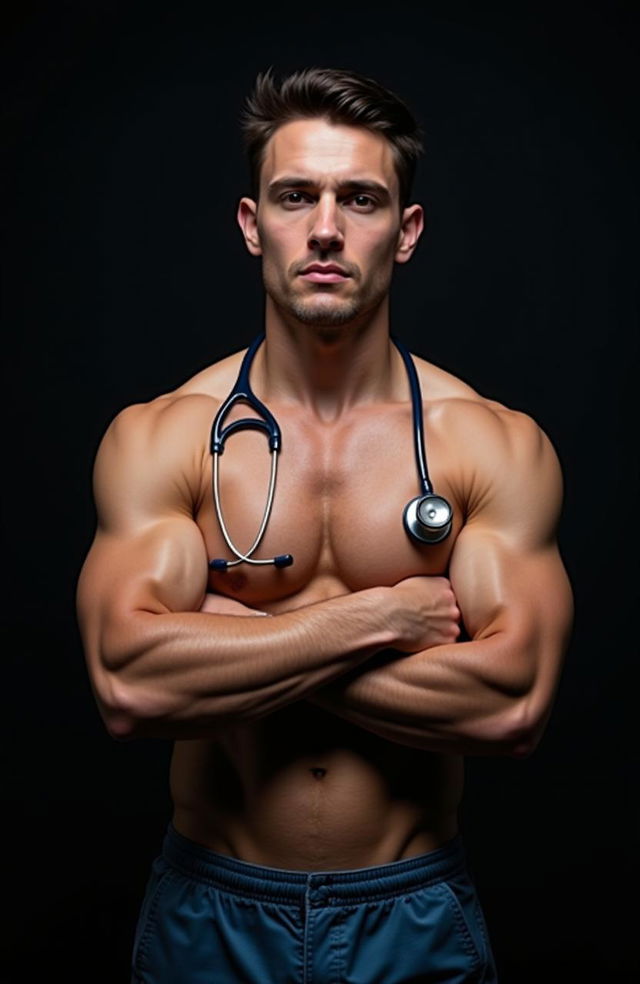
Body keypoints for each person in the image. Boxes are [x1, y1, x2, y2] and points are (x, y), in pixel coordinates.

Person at [76, 65, 574, 984]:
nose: (328, 229)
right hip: (210, 911)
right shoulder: (169, 437)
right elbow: (128, 685)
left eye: (363, 198)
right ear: (251, 223)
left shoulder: (487, 444)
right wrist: (374, 620)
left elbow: (512, 706)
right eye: (296, 196)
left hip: (412, 911)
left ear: (407, 231)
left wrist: (229, 632)